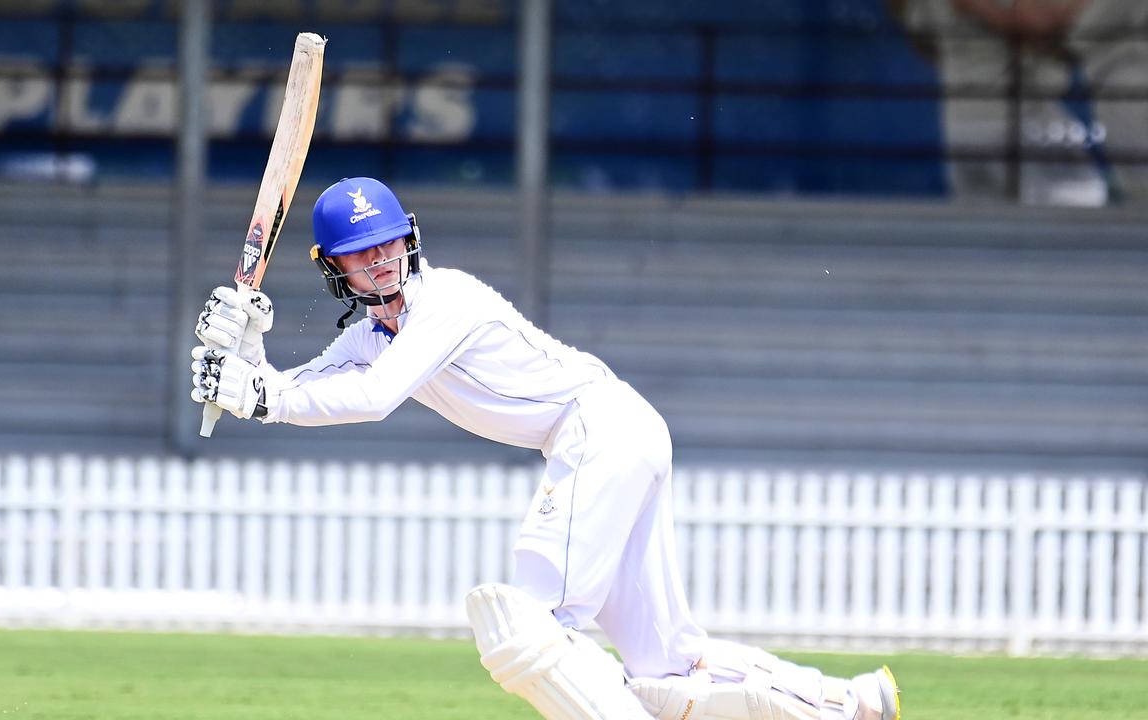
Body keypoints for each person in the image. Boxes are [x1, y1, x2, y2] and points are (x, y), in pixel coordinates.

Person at [190, 178, 901, 720]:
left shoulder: (448, 301)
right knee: (667, 665)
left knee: (525, 627)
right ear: (334, 268)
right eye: (360, 253)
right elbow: (300, 389)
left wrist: (260, 394)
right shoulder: (370, 337)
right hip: (619, 430)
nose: (379, 262)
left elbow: (373, 396)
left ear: (409, 238)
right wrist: (249, 363)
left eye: (386, 244)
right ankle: (848, 704)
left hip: (599, 429)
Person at [896, 0, 1148, 205]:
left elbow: (925, 44)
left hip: (962, 128)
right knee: (1080, 222)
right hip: (1021, 126)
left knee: (988, 248)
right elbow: (1032, 18)